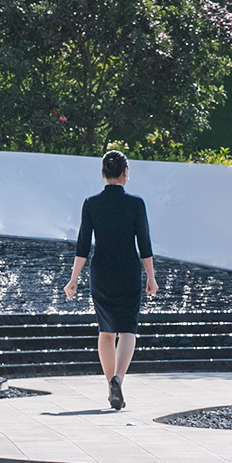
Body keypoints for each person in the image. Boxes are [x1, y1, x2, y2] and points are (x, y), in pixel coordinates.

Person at [62, 148, 156, 411]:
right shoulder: (136, 203)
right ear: (125, 173)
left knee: (105, 331)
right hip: (127, 270)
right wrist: (151, 277)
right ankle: (118, 379)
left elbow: (83, 245)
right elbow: (144, 244)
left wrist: (73, 280)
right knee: (127, 329)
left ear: (103, 174)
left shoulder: (91, 203)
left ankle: (109, 385)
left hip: (101, 271)